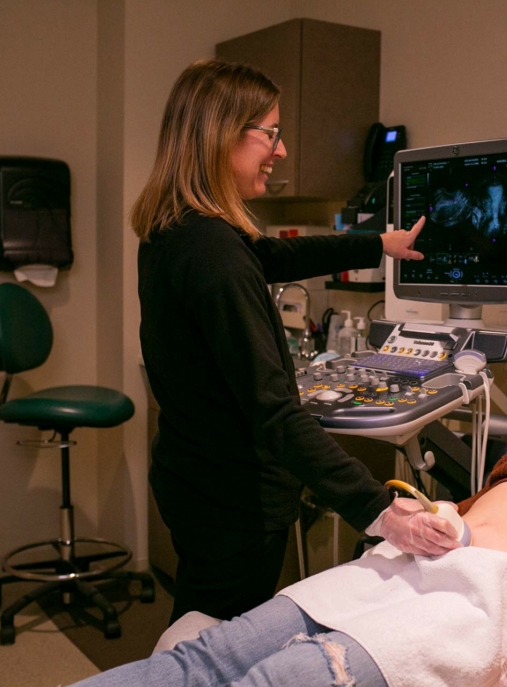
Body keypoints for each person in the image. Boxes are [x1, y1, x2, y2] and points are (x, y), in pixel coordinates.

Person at [72, 323, 507, 687]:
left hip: (485, 595)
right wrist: (430, 517)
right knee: (207, 656)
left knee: (275, 679)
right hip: (398, 567)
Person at [134, 59, 427, 625]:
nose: (282, 150)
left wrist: (377, 244)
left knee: (196, 631)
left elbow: (271, 257)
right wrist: (379, 510)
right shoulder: (214, 255)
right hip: (233, 502)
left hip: (191, 480)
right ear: (223, 137)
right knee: (216, 650)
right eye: (270, 133)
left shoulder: (176, 231)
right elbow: (274, 414)